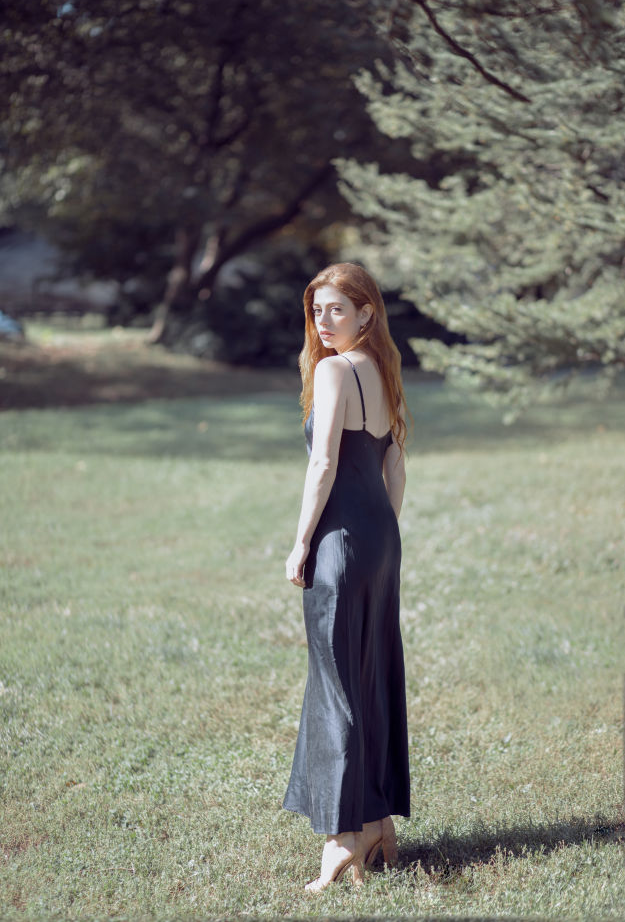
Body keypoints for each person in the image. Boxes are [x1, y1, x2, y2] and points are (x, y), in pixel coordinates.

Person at [283, 262, 410, 891]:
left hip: (340, 542)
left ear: (366, 312)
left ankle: (342, 839)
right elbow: (396, 468)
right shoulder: (383, 370)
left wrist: (302, 541)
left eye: (337, 308)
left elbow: (324, 464)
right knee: (371, 675)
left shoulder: (335, 371)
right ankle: (379, 822)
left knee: (336, 686)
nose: (324, 321)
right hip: (380, 537)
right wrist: (382, 533)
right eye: (317, 310)